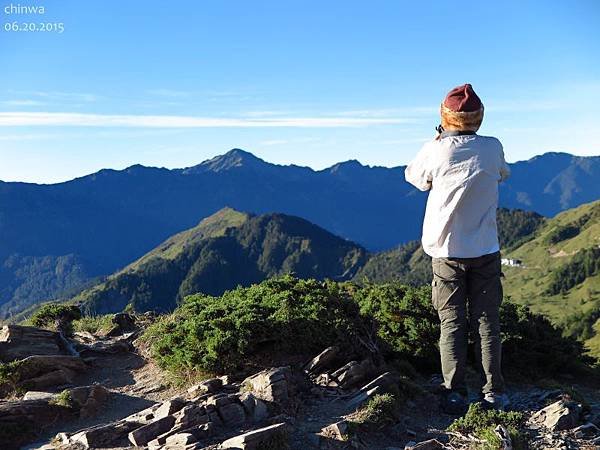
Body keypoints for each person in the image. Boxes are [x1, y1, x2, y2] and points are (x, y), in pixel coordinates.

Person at [404, 83, 511, 414]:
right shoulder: (493, 148)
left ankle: (454, 392)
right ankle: (494, 392)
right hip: (486, 248)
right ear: (479, 118)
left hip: (447, 252)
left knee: (452, 321)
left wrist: (440, 141)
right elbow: (502, 174)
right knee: (487, 321)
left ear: (444, 117)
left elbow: (415, 178)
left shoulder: (435, 149)